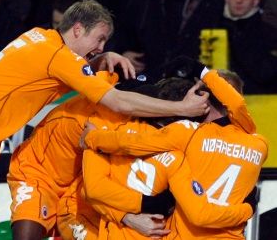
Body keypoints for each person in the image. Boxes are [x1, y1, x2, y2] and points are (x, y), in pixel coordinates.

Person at [0, 0, 209, 240]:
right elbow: (117, 101)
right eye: (99, 39)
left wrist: (100, 59)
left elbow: (61, 72)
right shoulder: (57, 57)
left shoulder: (39, 38)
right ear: (77, 29)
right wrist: (184, 109)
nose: (100, 47)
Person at [81, 64, 267, 240]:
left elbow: (131, 145)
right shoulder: (258, 145)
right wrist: (248, 209)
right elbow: (241, 113)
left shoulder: (187, 134)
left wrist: (93, 138)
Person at [215, 0, 277, 93]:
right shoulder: (209, 25)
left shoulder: (270, 34)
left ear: (256, 0)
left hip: (258, 103)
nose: (239, 0)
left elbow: (266, 74)